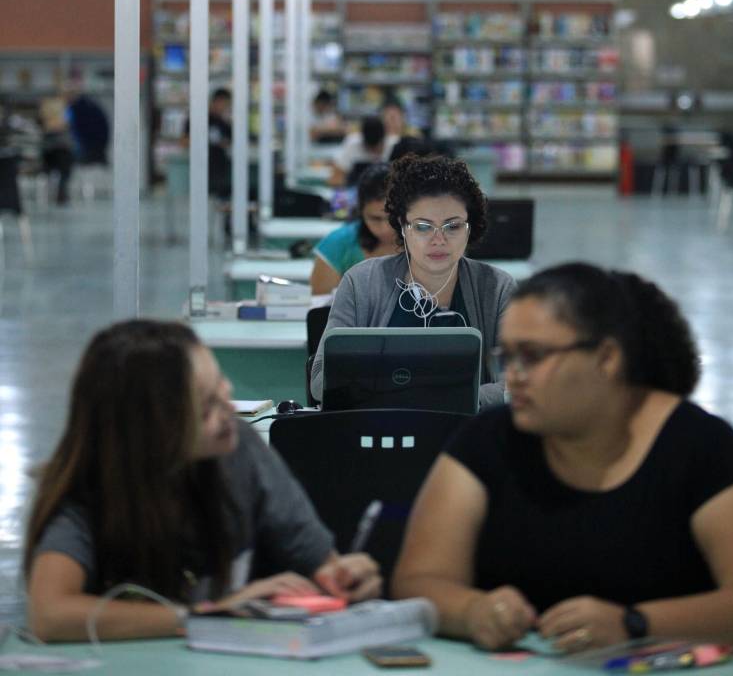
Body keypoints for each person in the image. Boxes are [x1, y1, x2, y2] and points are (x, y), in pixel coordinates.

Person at [392, 263, 733, 652]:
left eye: (533, 357)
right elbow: (419, 579)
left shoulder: (700, 447)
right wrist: (471, 612)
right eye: (507, 357)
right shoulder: (486, 442)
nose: (513, 375)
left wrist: (636, 624)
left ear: (607, 358)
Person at [24, 319, 381, 642]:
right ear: (150, 432)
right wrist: (207, 615)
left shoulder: (241, 453)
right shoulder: (90, 494)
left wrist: (344, 578)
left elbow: (321, 563)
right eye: (206, 407)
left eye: (222, 387)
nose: (228, 411)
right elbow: (51, 615)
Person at [310, 153, 514, 406]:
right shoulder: (361, 282)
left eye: (453, 226)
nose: (438, 240)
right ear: (402, 226)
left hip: (467, 435)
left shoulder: (497, 287)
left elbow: (515, 384)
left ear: (470, 227)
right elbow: (320, 381)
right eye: (423, 226)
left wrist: (434, 399)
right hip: (380, 431)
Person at [310, 164, 400, 297]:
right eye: (374, 218)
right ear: (361, 212)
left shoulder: (424, 241)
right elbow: (321, 307)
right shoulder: (338, 244)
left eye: (392, 218)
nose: (385, 228)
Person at [329, 114, 398, 188]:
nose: (373, 153)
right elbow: (335, 179)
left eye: (377, 149)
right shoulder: (352, 144)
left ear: (384, 138)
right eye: (370, 148)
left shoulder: (394, 145)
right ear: (362, 139)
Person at [39, 95, 74, 205]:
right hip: (53, 153)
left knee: (64, 157)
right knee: (64, 160)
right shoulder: (57, 120)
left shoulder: (65, 118)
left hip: (57, 152)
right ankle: (60, 192)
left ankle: (60, 191)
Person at [67, 92, 110, 166]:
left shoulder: (78, 110)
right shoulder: (88, 107)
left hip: (91, 148)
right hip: (98, 146)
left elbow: (76, 130)